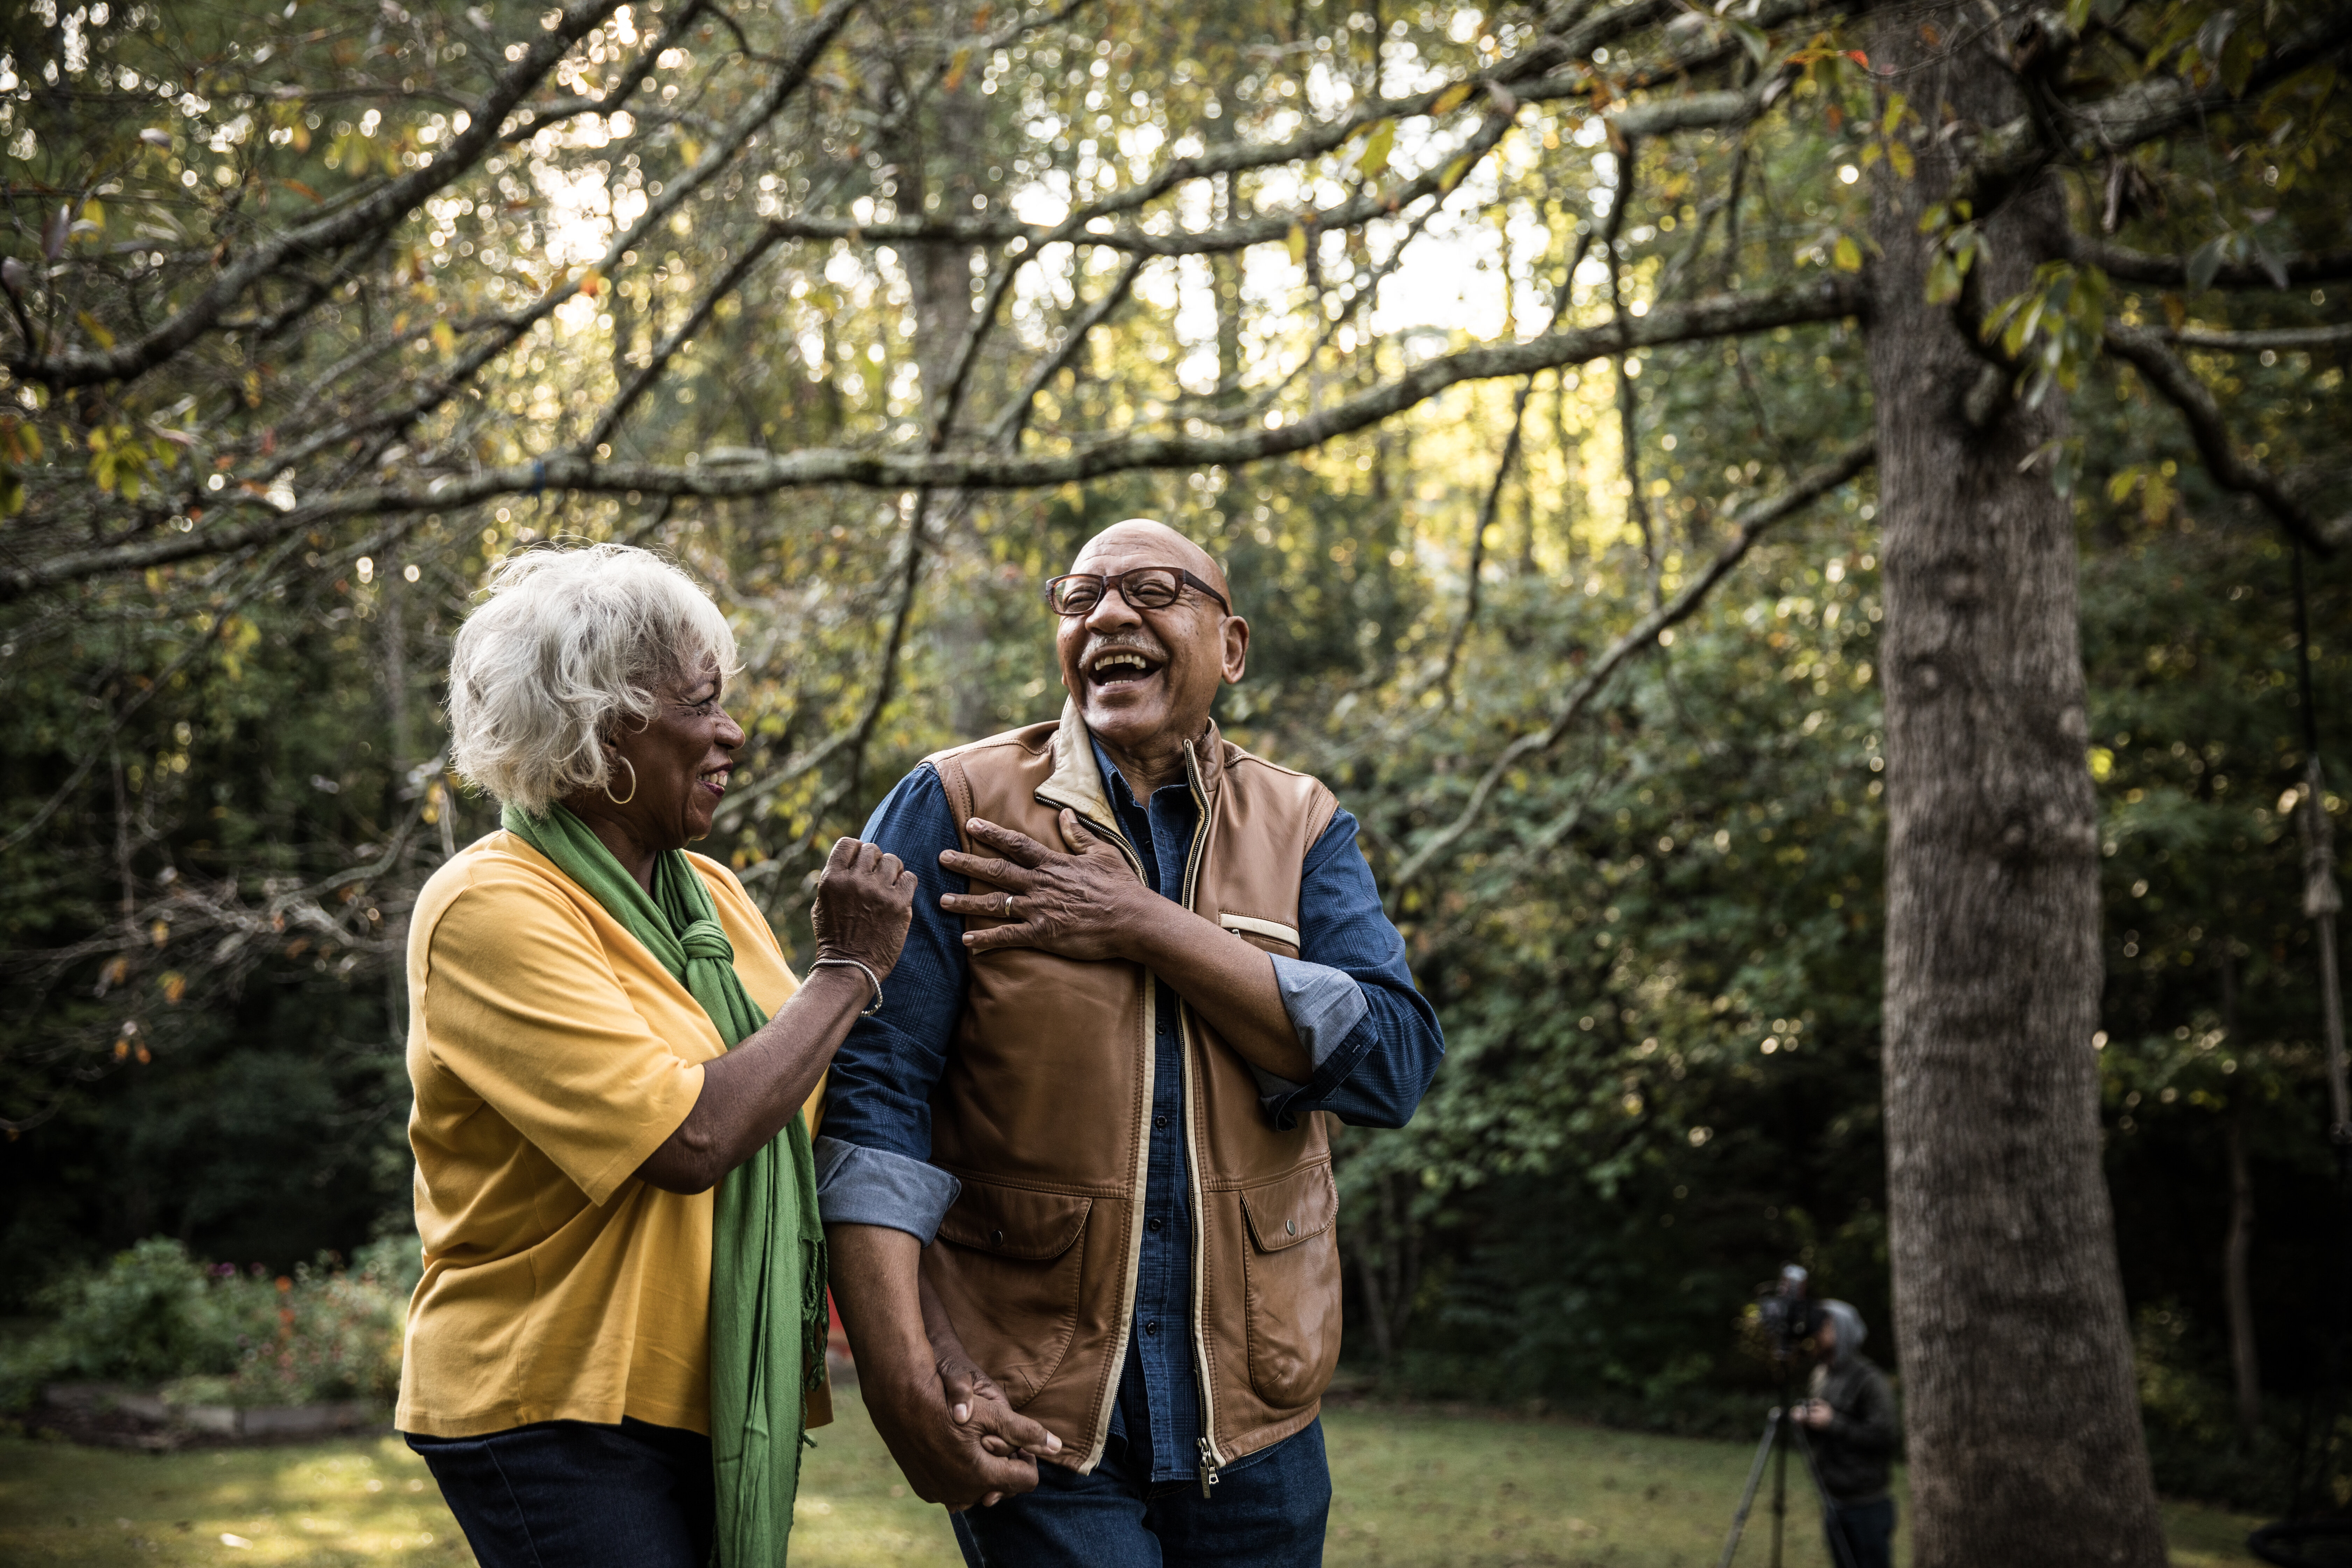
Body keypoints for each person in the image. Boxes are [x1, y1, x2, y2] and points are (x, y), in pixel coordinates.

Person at [817, 518, 1447, 1567]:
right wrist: (900, 1372)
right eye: (1079, 597)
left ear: (1230, 645)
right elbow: (874, 1104)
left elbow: (1390, 1062)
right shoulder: (955, 805)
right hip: (1034, 1412)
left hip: (1260, 1421)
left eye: (1152, 588)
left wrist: (1141, 922)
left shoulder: (1300, 824)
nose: (1109, 614)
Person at [396, 543, 916, 1568]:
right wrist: (848, 970)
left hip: (703, 1386)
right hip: (550, 1399)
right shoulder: (490, 904)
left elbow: (808, 1098)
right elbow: (692, 1131)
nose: (730, 731)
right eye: (698, 703)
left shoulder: (711, 902)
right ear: (594, 727)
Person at [1798, 1299, 1899, 1568]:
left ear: (1841, 1329)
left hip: (1867, 1505)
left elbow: (1886, 1436)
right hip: (1833, 1500)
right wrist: (1809, 1422)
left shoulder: (1869, 1380)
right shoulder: (1821, 1375)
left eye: (1824, 1325)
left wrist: (1834, 1422)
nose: (1816, 1332)